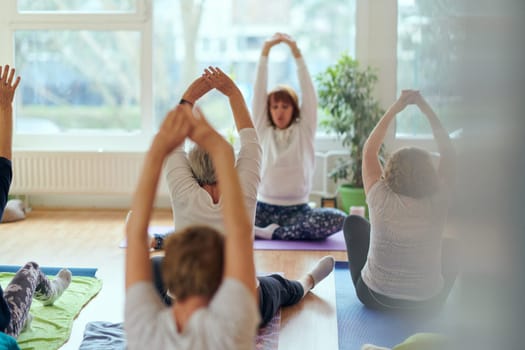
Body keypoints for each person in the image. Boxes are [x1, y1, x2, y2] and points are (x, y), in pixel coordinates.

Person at [151, 68, 335, 327]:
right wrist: (232, 91)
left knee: (159, 268)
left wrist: (190, 96)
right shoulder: (243, 188)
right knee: (279, 286)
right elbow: (250, 140)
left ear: (191, 170)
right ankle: (308, 281)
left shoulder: (182, 189)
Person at [124, 101, 259, 349]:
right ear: (224, 274)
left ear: (170, 279)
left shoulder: (142, 331)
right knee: (274, 288)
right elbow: (241, 233)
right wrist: (220, 149)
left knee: (152, 263)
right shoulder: (231, 330)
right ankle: (304, 282)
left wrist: (158, 148)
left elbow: (134, 233)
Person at [343, 90, 459, 310]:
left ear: (391, 171)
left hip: (373, 297)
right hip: (427, 304)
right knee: (453, 247)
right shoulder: (439, 199)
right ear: (429, 173)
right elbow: (449, 153)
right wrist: (426, 109)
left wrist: (396, 108)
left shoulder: (379, 196)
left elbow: (370, 150)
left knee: (354, 223)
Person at [0, 65, 72, 340]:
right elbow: (3, 161)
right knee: (31, 269)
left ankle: (26, 314)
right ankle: (50, 292)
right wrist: (5, 106)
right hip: (3, 330)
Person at [251, 32, 346, 240]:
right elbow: (258, 93)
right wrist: (265, 52)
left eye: (285, 106)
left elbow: (310, 95)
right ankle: (276, 233)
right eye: (275, 106)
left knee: (339, 218)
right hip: (263, 208)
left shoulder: (304, 130)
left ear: (294, 109)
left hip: (298, 210)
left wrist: (296, 54)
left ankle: (271, 233)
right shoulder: (263, 130)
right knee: (224, 217)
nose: (280, 111)